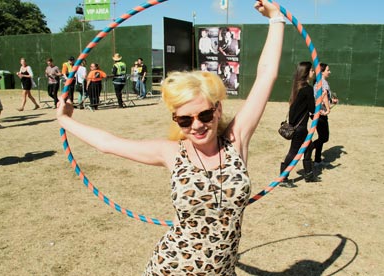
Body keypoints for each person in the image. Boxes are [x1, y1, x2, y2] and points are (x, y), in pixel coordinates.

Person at [56, 1, 284, 274]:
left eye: (204, 115)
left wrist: (276, 20)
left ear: (218, 109)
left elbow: (266, 75)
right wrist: (64, 120)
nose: (197, 126)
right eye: (185, 119)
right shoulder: (172, 152)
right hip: (172, 268)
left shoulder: (236, 140)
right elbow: (108, 144)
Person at [280, 61, 319, 187]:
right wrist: (319, 97)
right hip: (300, 128)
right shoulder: (307, 89)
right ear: (307, 73)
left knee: (308, 148)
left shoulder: (297, 87)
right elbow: (313, 109)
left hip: (297, 125)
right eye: (312, 70)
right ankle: (283, 178)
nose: (313, 72)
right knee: (294, 152)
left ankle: (309, 175)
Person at [312, 63, 338, 166]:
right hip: (320, 113)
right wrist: (328, 109)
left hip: (318, 112)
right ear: (322, 72)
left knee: (322, 137)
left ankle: (317, 160)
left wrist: (332, 100)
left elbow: (324, 97)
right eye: (328, 70)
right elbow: (323, 97)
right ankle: (306, 150)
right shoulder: (323, 83)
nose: (329, 72)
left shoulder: (320, 82)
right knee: (324, 137)